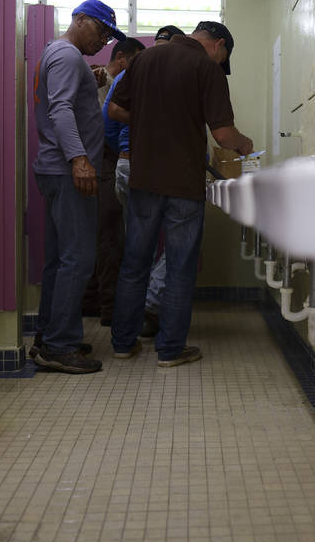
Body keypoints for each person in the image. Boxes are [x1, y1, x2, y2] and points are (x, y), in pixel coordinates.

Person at [108, 21, 253, 368]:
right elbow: (222, 134)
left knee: (134, 263)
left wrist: (149, 119)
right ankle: (170, 350)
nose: (221, 64)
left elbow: (114, 109)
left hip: (143, 180)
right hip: (183, 185)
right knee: (179, 267)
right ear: (217, 45)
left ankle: (122, 344)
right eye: (224, 57)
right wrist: (246, 146)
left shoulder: (145, 60)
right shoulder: (206, 69)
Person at [30, 0, 125, 374]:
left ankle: (49, 336)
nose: (103, 40)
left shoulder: (55, 53)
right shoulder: (68, 58)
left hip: (54, 168)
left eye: (107, 35)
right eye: (100, 29)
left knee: (59, 259)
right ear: (80, 19)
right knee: (79, 257)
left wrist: (95, 78)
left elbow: (65, 99)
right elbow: (62, 110)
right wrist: (80, 159)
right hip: (69, 171)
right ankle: (59, 345)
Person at [112, 26, 185, 340]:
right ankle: (151, 308)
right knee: (176, 246)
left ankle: (129, 329)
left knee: (138, 249)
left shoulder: (132, 74)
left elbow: (110, 117)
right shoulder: (169, 78)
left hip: (130, 164)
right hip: (155, 170)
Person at [93, 38, 146, 328]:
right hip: (109, 160)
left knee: (110, 236)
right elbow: (109, 126)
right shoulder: (112, 80)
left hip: (112, 161)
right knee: (113, 237)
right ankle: (112, 310)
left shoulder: (111, 80)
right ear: (124, 58)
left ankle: (108, 307)